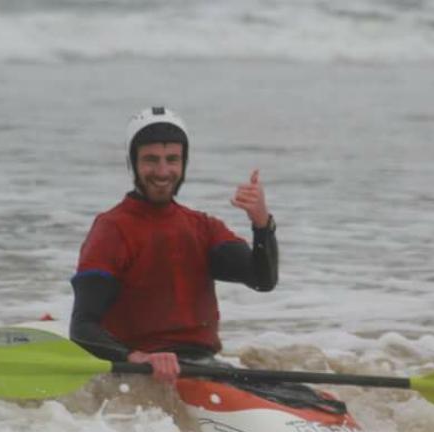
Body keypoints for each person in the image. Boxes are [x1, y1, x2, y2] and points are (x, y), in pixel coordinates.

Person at [69, 106, 278, 384]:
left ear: (184, 163)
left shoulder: (202, 227)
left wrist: (262, 223)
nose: (163, 171)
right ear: (133, 163)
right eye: (151, 160)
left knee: (316, 403)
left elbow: (262, 279)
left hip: (203, 368)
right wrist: (135, 357)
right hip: (139, 374)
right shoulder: (111, 230)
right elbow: (82, 327)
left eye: (172, 159)